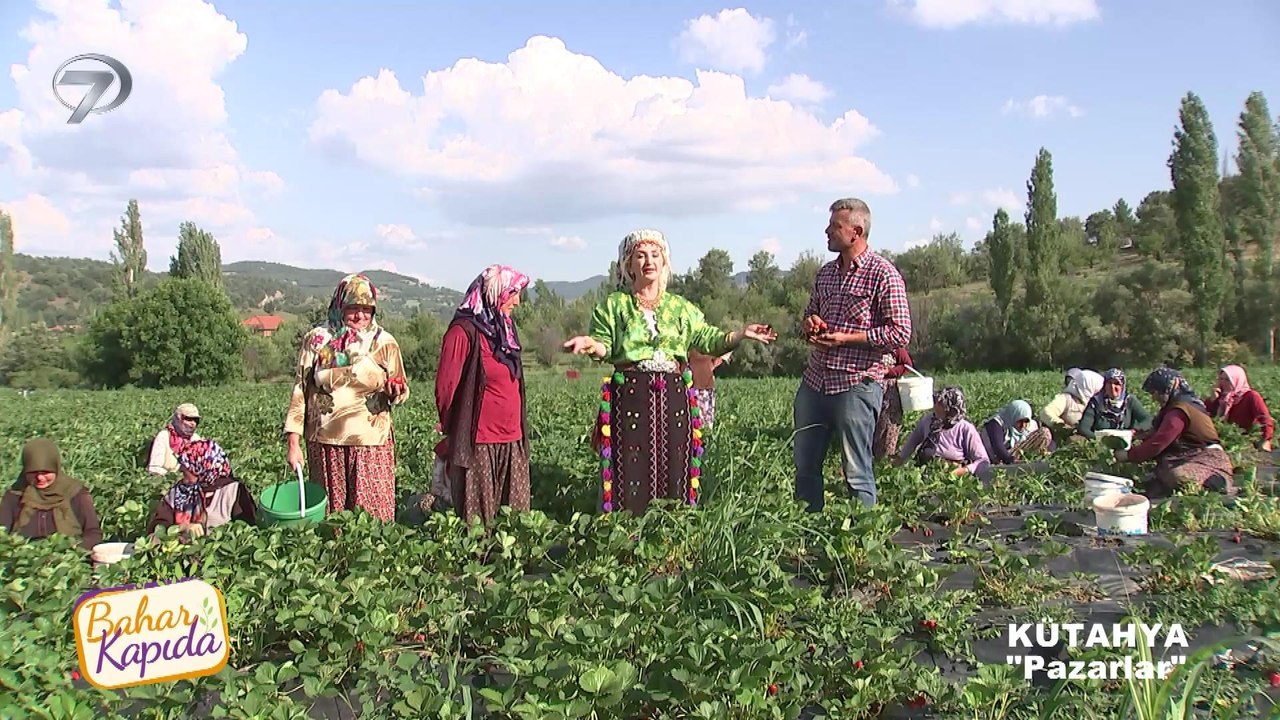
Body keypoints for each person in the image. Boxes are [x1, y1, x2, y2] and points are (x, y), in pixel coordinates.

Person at [563, 229, 776, 514]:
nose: (648, 261)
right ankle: (627, 530)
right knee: (631, 461)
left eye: (655, 254)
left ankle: (671, 531)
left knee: (674, 459)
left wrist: (741, 333)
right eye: (640, 255)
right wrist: (590, 343)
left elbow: (708, 339)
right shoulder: (614, 306)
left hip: (674, 396)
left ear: (664, 262)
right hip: (631, 394)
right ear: (629, 265)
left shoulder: (680, 308)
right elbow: (604, 345)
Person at [794, 198, 912, 511]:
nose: (827, 231)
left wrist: (848, 338)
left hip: (856, 384)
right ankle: (806, 537)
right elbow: (810, 314)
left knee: (857, 472)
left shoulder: (884, 275)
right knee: (805, 468)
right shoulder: (826, 274)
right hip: (815, 382)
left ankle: (861, 546)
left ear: (856, 232)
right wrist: (811, 324)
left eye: (835, 226)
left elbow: (900, 333)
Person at [283, 273, 410, 521]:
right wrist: (293, 443)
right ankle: (334, 562)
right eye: (353, 308)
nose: (360, 315)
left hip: (372, 443)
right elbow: (300, 389)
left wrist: (396, 391)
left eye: (367, 309)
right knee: (333, 520)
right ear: (340, 306)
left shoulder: (384, 342)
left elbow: (401, 388)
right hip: (326, 443)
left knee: (373, 520)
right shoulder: (318, 339)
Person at [435, 264, 532, 525]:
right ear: (495, 293)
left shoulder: (505, 331)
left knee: (514, 523)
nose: (517, 301)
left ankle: (514, 566)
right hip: (479, 441)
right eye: (512, 293)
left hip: (512, 438)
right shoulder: (463, 332)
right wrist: (452, 426)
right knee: (478, 523)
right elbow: (446, 387)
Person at [1113, 367, 1234, 498]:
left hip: (1208, 459)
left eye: (1155, 392)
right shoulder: (1177, 406)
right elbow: (1155, 434)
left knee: (1176, 476)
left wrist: (1129, 455)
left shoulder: (1180, 410)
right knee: (1161, 471)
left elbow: (1158, 443)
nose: (1154, 397)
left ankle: (1216, 482)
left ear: (1168, 388)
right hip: (1188, 456)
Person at [0, 438, 102, 550]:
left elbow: (93, 533)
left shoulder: (75, 493)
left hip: (69, 558)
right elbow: (2, 532)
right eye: (33, 472)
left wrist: (75, 551)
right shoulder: (15, 494)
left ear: (56, 468)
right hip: (23, 558)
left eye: (45, 472)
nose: (40, 478)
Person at [147, 439, 256, 536]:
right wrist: (181, 528)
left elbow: (248, 531)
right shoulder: (179, 492)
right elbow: (157, 527)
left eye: (186, 470)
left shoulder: (234, 492)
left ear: (201, 469)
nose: (180, 472)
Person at [894, 386, 990, 477]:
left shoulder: (965, 428)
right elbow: (911, 444)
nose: (935, 405)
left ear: (951, 408)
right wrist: (897, 462)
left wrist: (963, 471)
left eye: (940, 403)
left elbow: (983, 461)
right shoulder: (928, 421)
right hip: (924, 473)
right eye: (936, 401)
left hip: (952, 478)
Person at [1204, 365, 1274, 452]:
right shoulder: (1219, 397)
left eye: (1227, 380)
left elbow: (1264, 417)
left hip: (1242, 440)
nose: (1223, 383)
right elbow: (1204, 416)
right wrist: (1211, 401)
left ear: (1237, 380)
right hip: (1220, 439)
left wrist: (1266, 439)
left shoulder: (1250, 396)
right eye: (1221, 379)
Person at [1077, 368, 1153, 440]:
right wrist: (1100, 441)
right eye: (1109, 383)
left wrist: (1134, 431)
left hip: (1125, 444)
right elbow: (1084, 428)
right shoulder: (1096, 402)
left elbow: (1147, 419)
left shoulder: (1129, 401)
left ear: (1122, 386)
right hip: (1100, 445)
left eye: (1117, 383)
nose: (1112, 387)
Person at [981, 400, 1054, 467]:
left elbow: (1051, 443)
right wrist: (1012, 461)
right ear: (1013, 416)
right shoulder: (996, 425)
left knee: (1044, 433)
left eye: (1026, 422)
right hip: (997, 459)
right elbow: (998, 448)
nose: (1023, 425)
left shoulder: (1031, 425)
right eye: (1019, 421)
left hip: (1016, 455)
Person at [873, 347, 915, 460]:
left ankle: (884, 463)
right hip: (869, 387)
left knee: (887, 426)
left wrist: (890, 372)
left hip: (889, 391)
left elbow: (907, 365)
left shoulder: (895, 347)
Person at [1040, 368, 1103, 435]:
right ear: (1089, 386)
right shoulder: (1066, 398)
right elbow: (1046, 413)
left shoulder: (1096, 403)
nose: (1099, 393)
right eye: (1097, 390)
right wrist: (1061, 426)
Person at [146, 403, 203, 475]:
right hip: (165, 481)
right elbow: (154, 468)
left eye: (196, 420)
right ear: (178, 419)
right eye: (188, 419)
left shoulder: (195, 438)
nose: (193, 423)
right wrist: (173, 477)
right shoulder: (164, 436)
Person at [688, 350, 731, 432]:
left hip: (705, 387)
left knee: (706, 421)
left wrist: (712, 366)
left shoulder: (707, 344)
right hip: (688, 387)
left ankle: (705, 440)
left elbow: (726, 349)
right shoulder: (688, 341)